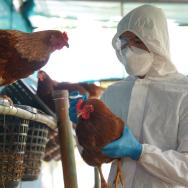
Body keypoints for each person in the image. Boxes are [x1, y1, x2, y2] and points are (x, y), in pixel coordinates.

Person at [69, 4, 188, 188]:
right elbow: (94, 152)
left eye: (138, 41)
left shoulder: (183, 92)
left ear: (157, 41)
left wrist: (141, 152)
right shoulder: (114, 93)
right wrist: (80, 125)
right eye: (125, 42)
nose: (130, 49)